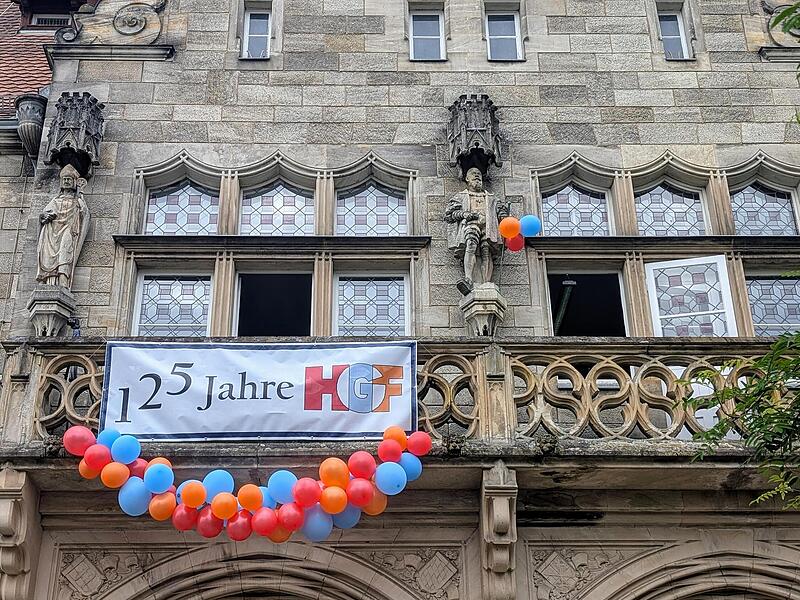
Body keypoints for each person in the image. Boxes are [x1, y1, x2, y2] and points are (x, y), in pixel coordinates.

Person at [445, 167, 509, 295]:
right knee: (471, 245)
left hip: (489, 226)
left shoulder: (491, 197)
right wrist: (464, 214)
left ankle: (486, 282)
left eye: (479, 174)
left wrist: (504, 214)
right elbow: (450, 214)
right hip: (471, 223)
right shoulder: (461, 196)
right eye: (473, 174)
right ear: (467, 179)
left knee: (486, 250)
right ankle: (468, 279)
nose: (476, 176)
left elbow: (501, 214)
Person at [36, 164, 89, 288]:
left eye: (69, 179)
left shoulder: (77, 201)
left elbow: (84, 214)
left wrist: (80, 194)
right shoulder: (55, 200)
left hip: (69, 230)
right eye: (64, 179)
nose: (66, 181)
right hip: (52, 232)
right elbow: (44, 215)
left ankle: (63, 282)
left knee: (65, 252)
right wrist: (44, 217)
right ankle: (50, 282)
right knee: (50, 256)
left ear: (74, 182)